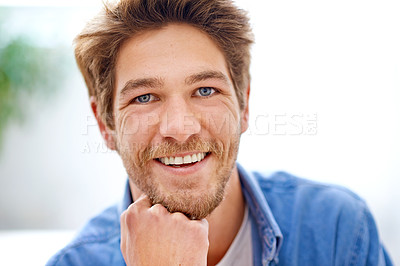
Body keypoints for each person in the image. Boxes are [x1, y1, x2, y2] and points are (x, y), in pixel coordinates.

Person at [47, 0, 393, 265]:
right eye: (145, 97)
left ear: (243, 104)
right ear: (106, 124)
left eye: (205, 90)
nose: (180, 130)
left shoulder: (338, 231)